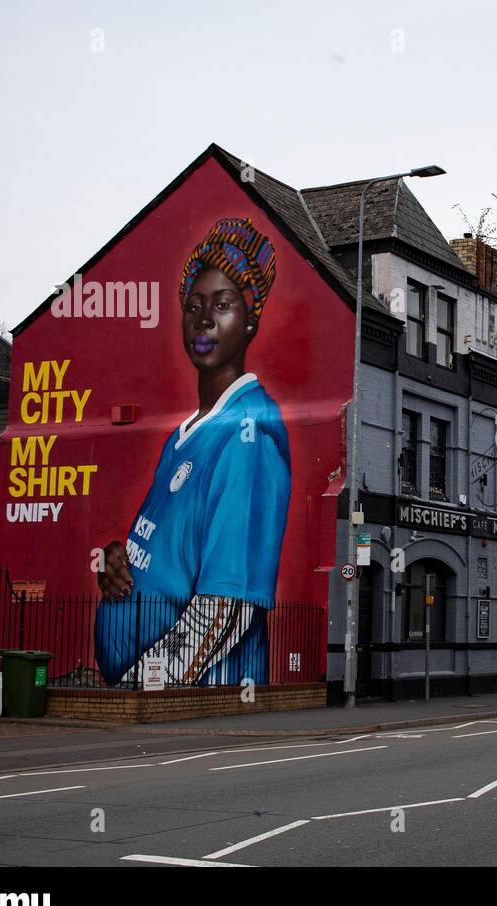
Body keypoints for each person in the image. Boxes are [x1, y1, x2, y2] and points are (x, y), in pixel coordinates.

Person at [93, 217, 291, 687]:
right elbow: (164, 554)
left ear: (250, 321)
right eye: (193, 305)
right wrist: (116, 562)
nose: (204, 320)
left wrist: (139, 689)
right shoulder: (183, 435)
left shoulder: (248, 435)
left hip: (197, 698)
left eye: (222, 305)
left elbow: (226, 609)